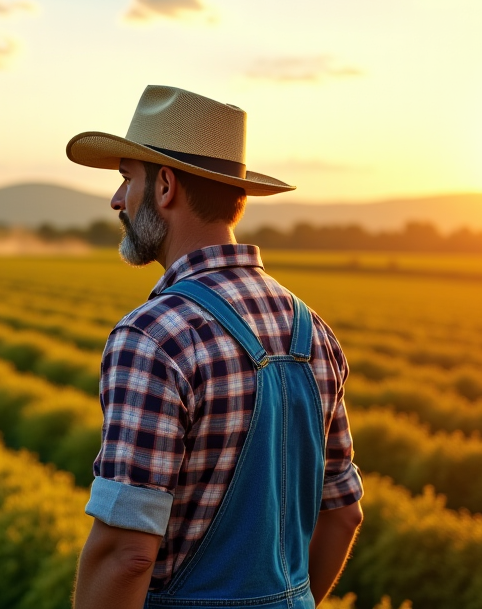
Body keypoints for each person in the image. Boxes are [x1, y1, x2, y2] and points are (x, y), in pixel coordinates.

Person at [66, 86, 364, 609]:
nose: (117, 200)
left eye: (125, 179)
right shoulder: (313, 330)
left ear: (164, 186)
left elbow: (127, 556)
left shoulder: (153, 338)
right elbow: (342, 514)